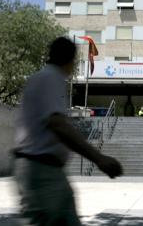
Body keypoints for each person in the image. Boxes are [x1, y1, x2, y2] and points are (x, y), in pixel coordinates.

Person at [12, 37, 123, 226]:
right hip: (41, 170)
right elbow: (57, 124)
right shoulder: (51, 78)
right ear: (71, 60)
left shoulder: (41, 78)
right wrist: (99, 158)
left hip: (48, 170)